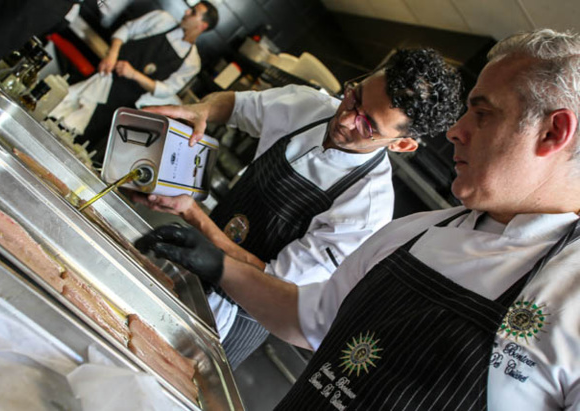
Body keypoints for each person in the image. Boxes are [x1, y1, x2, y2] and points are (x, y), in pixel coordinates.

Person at [136, 28, 580, 409]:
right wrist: (215, 261)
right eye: (354, 97)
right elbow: (309, 316)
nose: (455, 132)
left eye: (482, 114)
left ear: (553, 133)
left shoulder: (571, 301)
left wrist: (196, 221)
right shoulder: (415, 232)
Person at [132, 48, 463, 368]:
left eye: (368, 125)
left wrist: (194, 215)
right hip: (185, 262)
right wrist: (202, 109)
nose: (346, 119)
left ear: (402, 144)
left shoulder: (367, 207)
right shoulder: (310, 105)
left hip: (228, 316)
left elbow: (273, 283)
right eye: (355, 96)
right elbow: (234, 105)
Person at [79, 2, 218, 159]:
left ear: (203, 25)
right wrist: (112, 54)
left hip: (127, 101)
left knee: (87, 142)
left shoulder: (192, 62)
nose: (186, 12)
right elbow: (127, 29)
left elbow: (166, 89)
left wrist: (133, 74)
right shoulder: (162, 20)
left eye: (193, 12)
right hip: (106, 76)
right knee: (72, 113)